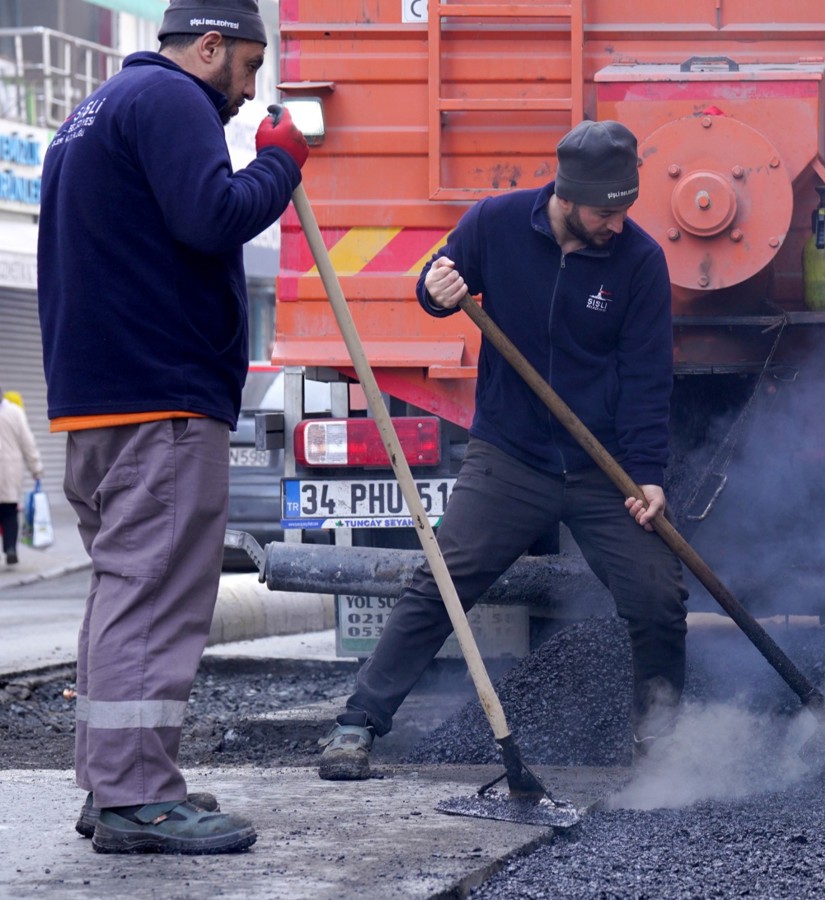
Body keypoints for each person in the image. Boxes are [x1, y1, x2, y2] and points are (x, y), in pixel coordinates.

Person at [316, 119, 687, 781]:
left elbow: (647, 379)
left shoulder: (639, 261)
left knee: (658, 595)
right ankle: (357, 724)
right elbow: (437, 280)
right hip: (511, 456)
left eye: (625, 209)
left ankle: (661, 749)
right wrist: (434, 290)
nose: (617, 223)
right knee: (443, 581)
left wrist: (647, 475)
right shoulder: (495, 223)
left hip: (601, 469)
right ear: (568, 196)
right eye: (606, 211)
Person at [37, 0, 308, 854]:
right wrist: (281, 163)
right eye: (249, 67)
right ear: (210, 45)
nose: (248, 90)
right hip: (163, 399)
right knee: (155, 599)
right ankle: (140, 798)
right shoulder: (171, 99)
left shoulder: (93, 112)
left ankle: (113, 782)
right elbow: (212, 215)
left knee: (124, 592)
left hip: (100, 399)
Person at [0, 389, 44, 565]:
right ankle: (11, 548)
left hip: (9, 469)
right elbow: (28, 442)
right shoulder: (15, 412)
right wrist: (36, 468)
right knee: (10, 511)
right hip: (10, 469)